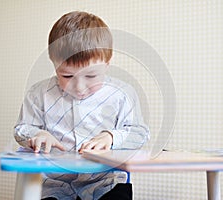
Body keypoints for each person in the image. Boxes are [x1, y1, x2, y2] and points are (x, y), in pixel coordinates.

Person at [14, 11, 150, 200]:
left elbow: (140, 133)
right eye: (67, 76)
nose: (79, 87)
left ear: (107, 64)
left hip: (105, 183)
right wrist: (37, 134)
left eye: (91, 76)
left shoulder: (122, 94)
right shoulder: (39, 94)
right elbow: (21, 129)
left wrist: (111, 137)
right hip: (54, 185)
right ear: (54, 64)